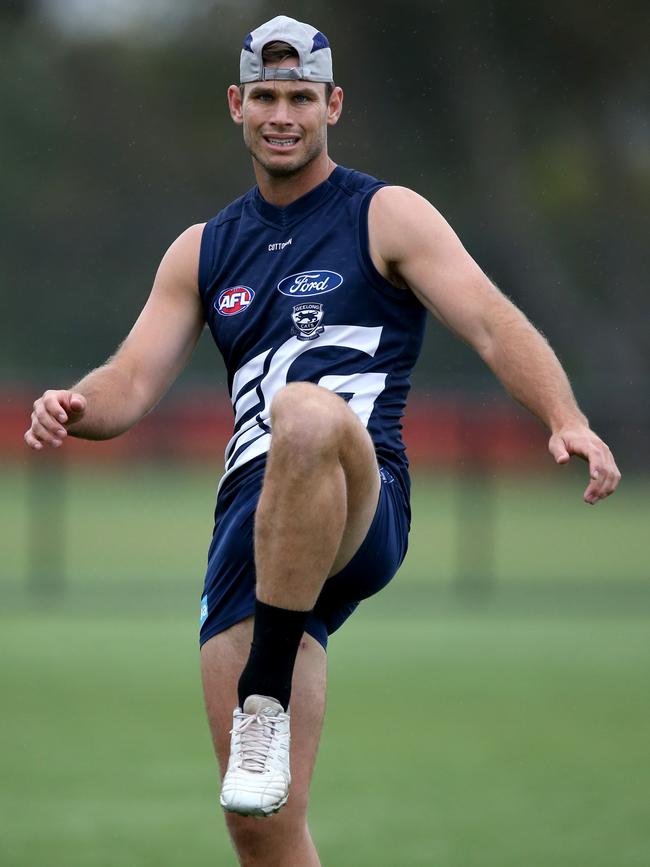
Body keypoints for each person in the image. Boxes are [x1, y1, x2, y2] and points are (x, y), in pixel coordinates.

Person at [24, 14, 621, 867]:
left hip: (359, 491)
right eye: (264, 95)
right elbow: (132, 379)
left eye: (300, 96)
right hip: (252, 524)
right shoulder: (202, 249)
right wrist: (75, 404)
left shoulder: (387, 214)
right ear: (237, 104)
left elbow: (490, 323)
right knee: (259, 827)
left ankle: (260, 695)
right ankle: (266, 697)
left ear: (331, 104)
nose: (281, 113)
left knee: (302, 412)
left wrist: (565, 417)